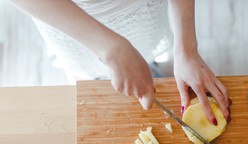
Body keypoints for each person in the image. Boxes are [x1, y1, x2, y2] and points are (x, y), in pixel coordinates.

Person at [10, 0, 231, 125]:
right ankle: (91, 80)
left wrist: (186, 47)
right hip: (69, 15)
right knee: (84, 68)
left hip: (144, 8)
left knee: (146, 47)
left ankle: (147, 66)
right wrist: (111, 49)